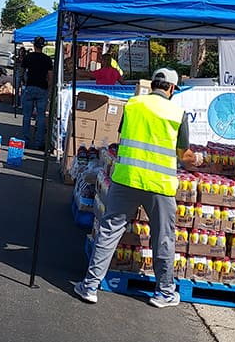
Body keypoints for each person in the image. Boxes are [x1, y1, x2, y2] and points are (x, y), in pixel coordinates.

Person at [73, 67, 199, 308]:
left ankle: (89, 286)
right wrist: (199, 160)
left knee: (109, 231)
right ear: (171, 88)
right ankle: (163, 292)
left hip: (126, 178)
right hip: (159, 185)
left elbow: (123, 139)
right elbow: (184, 156)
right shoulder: (178, 113)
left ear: (153, 85)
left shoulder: (132, 105)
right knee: (163, 237)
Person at [21, 35, 54, 150]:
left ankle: (25, 139)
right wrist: (47, 87)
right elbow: (50, 77)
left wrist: (25, 81)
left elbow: (22, 72)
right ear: (43, 46)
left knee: (27, 115)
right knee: (40, 117)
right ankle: (39, 141)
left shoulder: (28, 57)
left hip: (30, 87)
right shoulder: (47, 59)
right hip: (42, 88)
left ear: (34, 45)